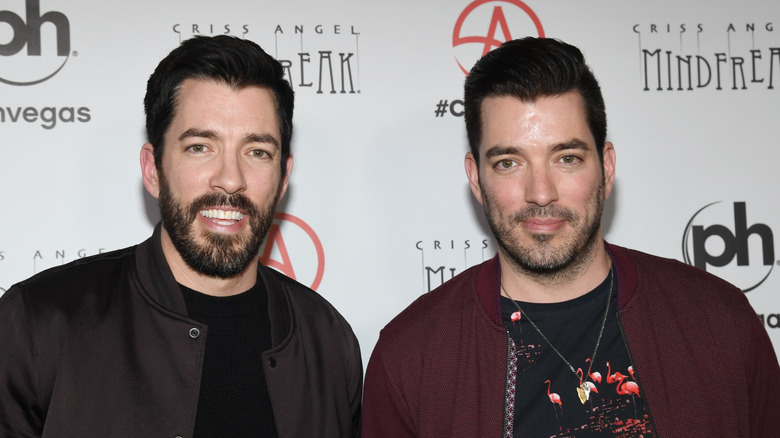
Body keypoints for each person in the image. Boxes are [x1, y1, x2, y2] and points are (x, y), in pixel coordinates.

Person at [362, 37, 780, 437]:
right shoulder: (412, 358)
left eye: (566, 158)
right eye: (509, 162)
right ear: (476, 179)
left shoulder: (720, 323)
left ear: (606, 168)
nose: (541, 193)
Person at [0, 35, 362, 438]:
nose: (230, 179)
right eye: (200, 147)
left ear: (283, 177)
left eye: (257, 152)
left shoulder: (328, 340)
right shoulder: (39, 323)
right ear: (153, 169)